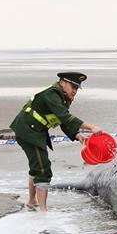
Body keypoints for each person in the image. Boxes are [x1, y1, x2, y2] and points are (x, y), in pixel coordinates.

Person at [10, 72, 103, 212]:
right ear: (63, 82)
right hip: (28, 130)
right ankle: (43, 212)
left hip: (35, 130)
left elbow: (62, 121)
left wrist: (77, 135)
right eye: (73, 87)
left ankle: (31, 202)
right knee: (43, 169)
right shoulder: (52, 94)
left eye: (77, 89)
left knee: (37, 165)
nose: (74, 91)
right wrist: (91, 127)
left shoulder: (63, 97)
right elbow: (64, 116)